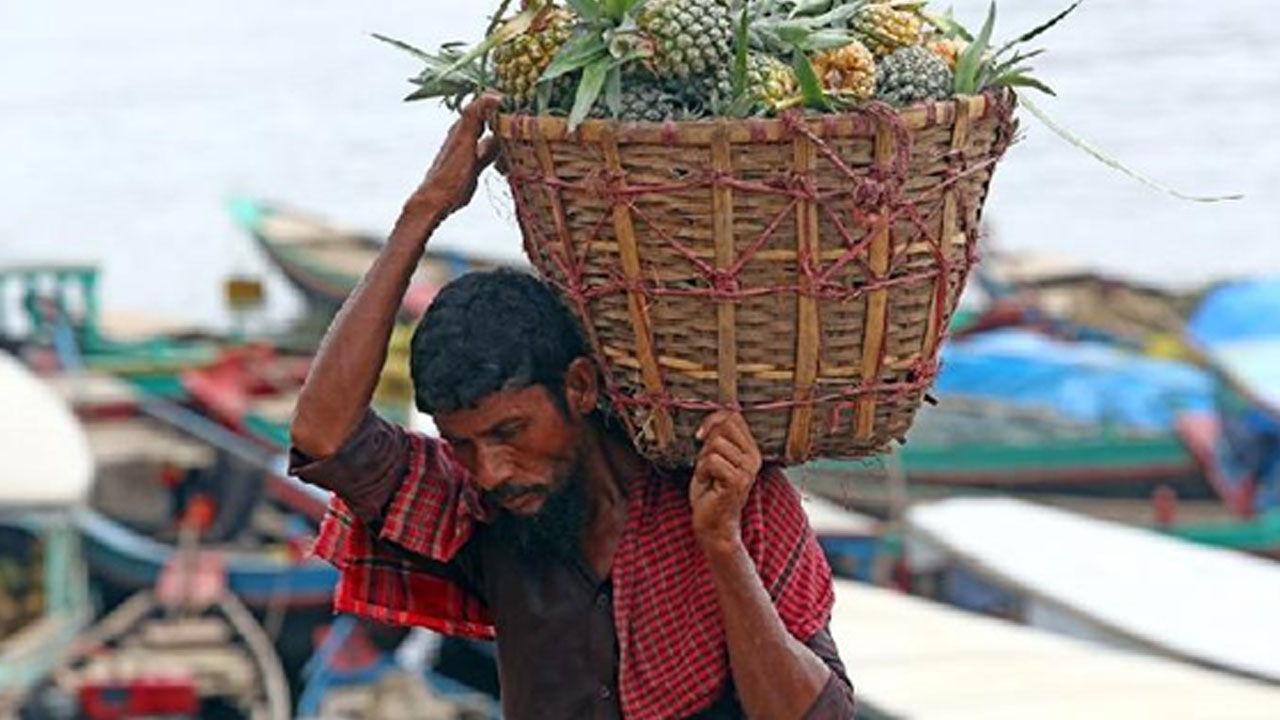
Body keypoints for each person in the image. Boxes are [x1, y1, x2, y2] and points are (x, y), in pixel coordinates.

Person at [289, 94, 854, 720]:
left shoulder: (729, 498)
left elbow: (815, 714)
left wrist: (721, 545)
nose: (491, 470)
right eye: (462, 445)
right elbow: (324, 436)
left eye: (510, 431)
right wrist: (422, 214)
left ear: (579, 387)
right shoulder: (483, 519)